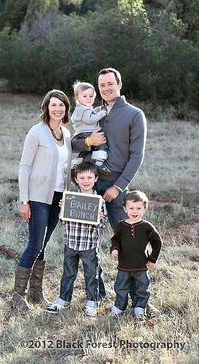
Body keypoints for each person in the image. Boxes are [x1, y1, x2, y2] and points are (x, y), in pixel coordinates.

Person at [71, 67, 147, 299]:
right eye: (101, 85)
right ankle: (97, 294)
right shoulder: (92, 113)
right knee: (86, 243)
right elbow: (73, 143)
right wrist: (88, 141)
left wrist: (118, 186)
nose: (105, 88)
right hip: (89, 185)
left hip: (115, 185)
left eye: (109, 83)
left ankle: (136, 297)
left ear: (119, 84)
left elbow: (137, 156)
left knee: (128, 241)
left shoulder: (134, 114)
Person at [11, 89, 72, 313]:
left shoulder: (65, 133)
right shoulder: (36, 132)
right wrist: (24, 200)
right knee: (35, 244)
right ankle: (17, 296)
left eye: (62, 105)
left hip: (57, 197)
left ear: (66, 108)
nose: (58, 108)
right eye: (53, 104)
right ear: (46, 107)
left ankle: (36, 292)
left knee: (44, 244)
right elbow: (24, 166)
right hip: (37, 197)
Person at [45, 162, 107, 317]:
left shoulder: (99, 201)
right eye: (82, 177)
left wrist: (99, 218)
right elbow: (63, 220)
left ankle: (92, 302)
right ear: (76, 179)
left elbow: (103, 225)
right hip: (71, 243)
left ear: (96, 179)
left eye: (89, 177)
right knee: (68, 273)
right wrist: (63, 209)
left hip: (89, 245)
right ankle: (63, 299)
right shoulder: (70, 198)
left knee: (91, 274)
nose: (85, 180)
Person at [110, 190, 162, 321]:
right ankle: (119, 308)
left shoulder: (146, 227)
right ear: (125, 209)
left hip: (141, 265)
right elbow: (115, 239)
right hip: (124, 265)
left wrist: (152, 259)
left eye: (138, 208)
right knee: (121, 288)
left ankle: (139, 309)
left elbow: (157, 242)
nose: (135, 211)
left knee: (142, 288)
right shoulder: (121, 226)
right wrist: (114, 249)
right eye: (131, 208)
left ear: (144, 209)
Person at [71, 81, 110, 172]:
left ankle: (78, 160)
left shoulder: (80, 108)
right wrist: (101, 113)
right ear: (77, 98)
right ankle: (99, 163)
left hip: (80, 134)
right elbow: (90, 119)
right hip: (87, 132)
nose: (88, 98)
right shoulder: (85, 109)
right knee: (101, 143)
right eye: (84, 96)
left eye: (91, 96)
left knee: (86, 150)